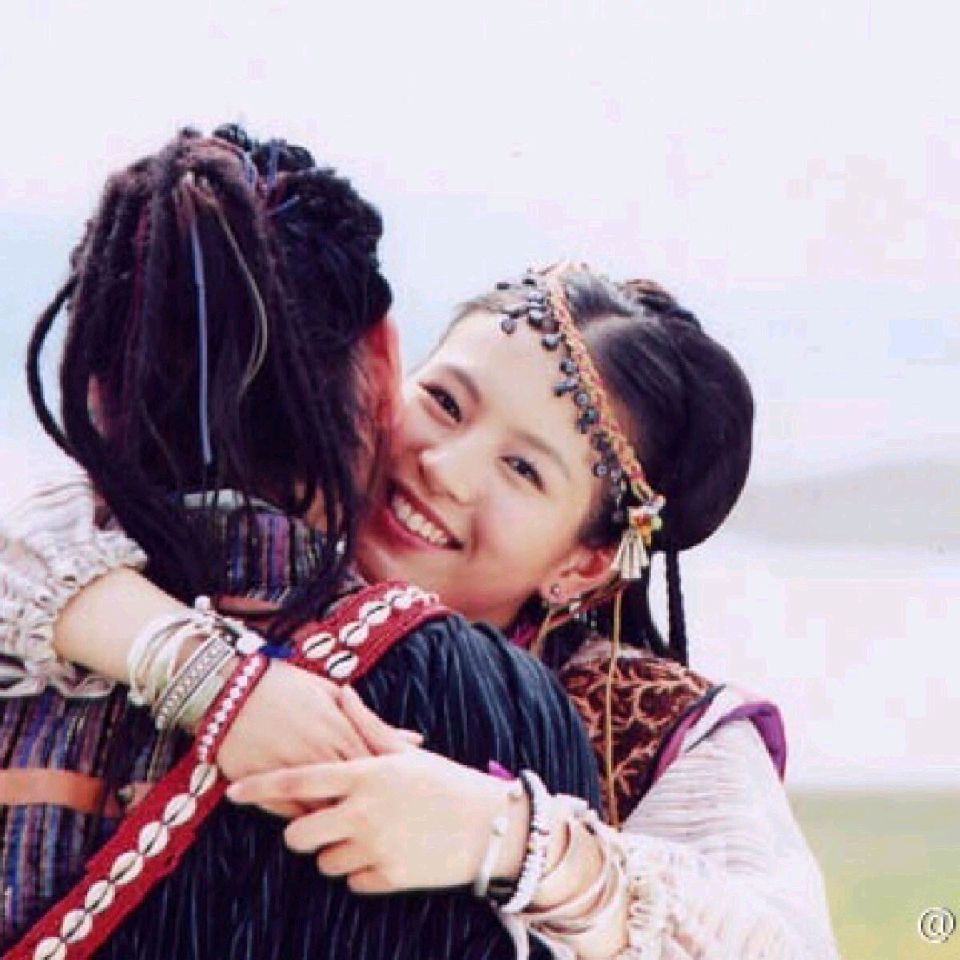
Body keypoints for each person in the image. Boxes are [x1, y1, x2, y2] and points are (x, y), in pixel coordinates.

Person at [0, 136, 838, 956]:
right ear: (384, 371)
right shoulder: (221, 571)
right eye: (444, 402)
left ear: (583, 563)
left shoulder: (641, 729)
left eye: (522, 469)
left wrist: (509, 839)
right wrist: (218, 682)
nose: (447, 469)